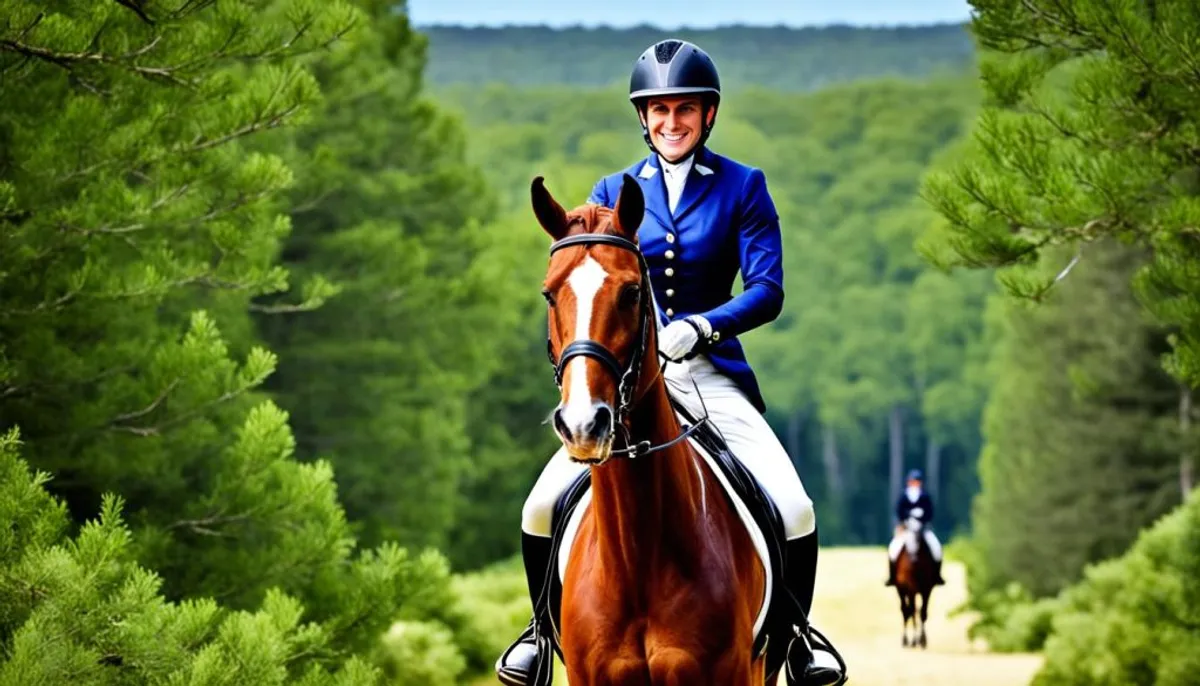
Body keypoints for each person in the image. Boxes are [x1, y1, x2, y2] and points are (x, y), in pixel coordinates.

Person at [495, 39, 844, 686]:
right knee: (540, 507)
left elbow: (767, 290)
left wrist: (704, 327)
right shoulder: (614, 191)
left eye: (684, 109)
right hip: (629, 381)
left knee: (794, 506)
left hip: (712, 376)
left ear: (707, 115)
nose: (671, 122)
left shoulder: (743, 186)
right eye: (658, 111)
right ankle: (540, 636)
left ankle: (797, 644)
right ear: (643, 118)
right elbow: (592, 275)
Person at [885, 468, 946, 586]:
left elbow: (930, 512)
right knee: (893, 549)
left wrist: (921, 519)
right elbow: (899, 511)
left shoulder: (925, 496)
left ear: (920, 483)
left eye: (916, 481)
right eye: (912, 481)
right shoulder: (904, 496)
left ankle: (937, 576)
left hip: (923, 528)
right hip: (906, 528)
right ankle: (892, 577)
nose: (914, 483)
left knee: (936, 547)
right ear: (909, 482)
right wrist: (906, 519)